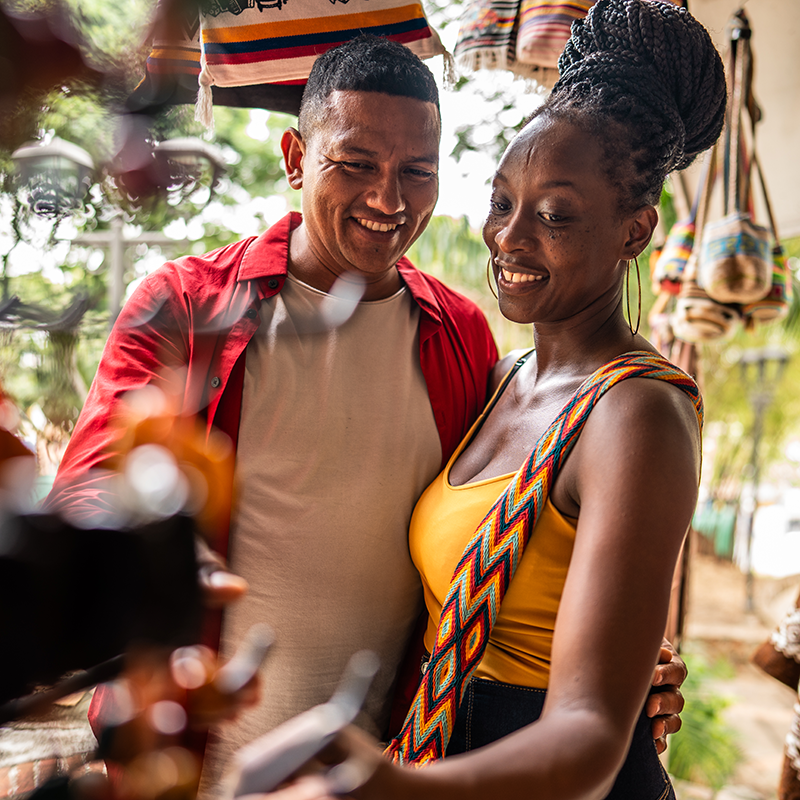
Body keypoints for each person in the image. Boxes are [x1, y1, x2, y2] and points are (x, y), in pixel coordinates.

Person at [43, 34, 686, 789]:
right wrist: (148, 550)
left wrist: (625, 659)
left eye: (418, 172)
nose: (390, 199)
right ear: (294, 158)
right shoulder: (187, 308)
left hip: (376, 768)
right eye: (356, 165)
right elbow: (80, 511)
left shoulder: (462, 336)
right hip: (183, 768)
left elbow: (522, 538)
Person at [256, 2, 726, 799]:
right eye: (503, 201)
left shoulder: (636, 414)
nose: (509, 237)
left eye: (555, 215)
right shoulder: (498, 377)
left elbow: (590, 737)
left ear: (635, 232)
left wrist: (395, 789)